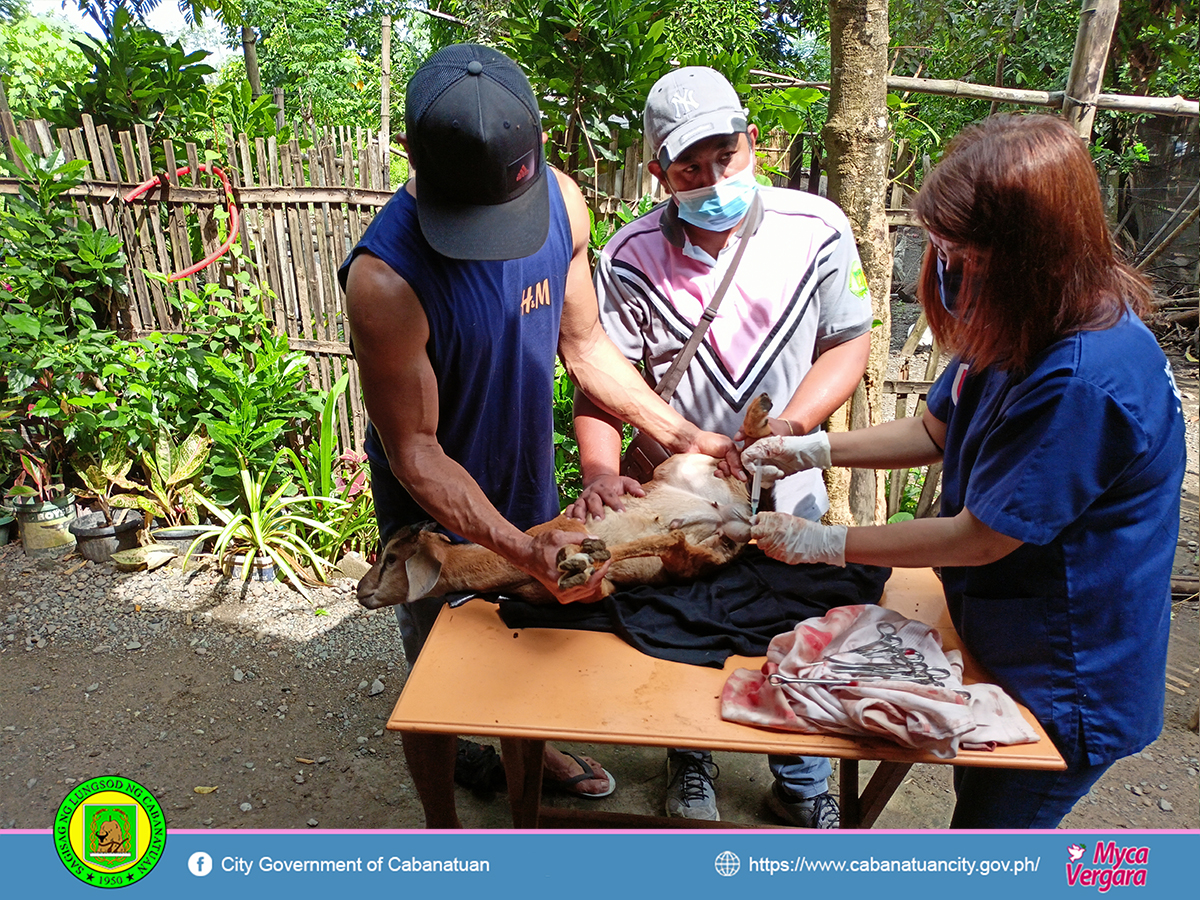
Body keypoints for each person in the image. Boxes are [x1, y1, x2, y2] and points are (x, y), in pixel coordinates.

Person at [743, 113, 1186, 829]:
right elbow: (933, 429)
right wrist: (808, 444)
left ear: (1027, 252)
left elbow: (978, 538)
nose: (945, 264)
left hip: (1068, 671)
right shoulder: (1022, 322)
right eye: (941, 246)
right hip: (1001, 634)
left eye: (960, 250)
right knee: (975, 802)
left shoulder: (1085, 376)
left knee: (993, 839)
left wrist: (822, 542)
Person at [339, 44, 732, 828]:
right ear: (416, 161)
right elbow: (416, 451)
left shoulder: (563, 203)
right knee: (437, 681)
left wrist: (683, 433)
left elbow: (585, 348)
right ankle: (442, 830)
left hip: (526, 483)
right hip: (431, 513)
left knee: (531, 656)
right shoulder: (384, 279)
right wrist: (518, 550)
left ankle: (526, 811)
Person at [567, 67, 873, 827]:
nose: (712, 179)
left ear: (754, 143)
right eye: (688, 168)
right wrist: (603, 471)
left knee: (791, 630)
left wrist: (797, 426)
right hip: (675, 498)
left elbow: (849, 343)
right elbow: (602, 380)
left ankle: (800, 779)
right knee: (686, 621)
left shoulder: (820, 228)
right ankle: (690, 760)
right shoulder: (632, 255)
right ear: (657, 174)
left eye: (726, 157)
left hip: (788, 489)